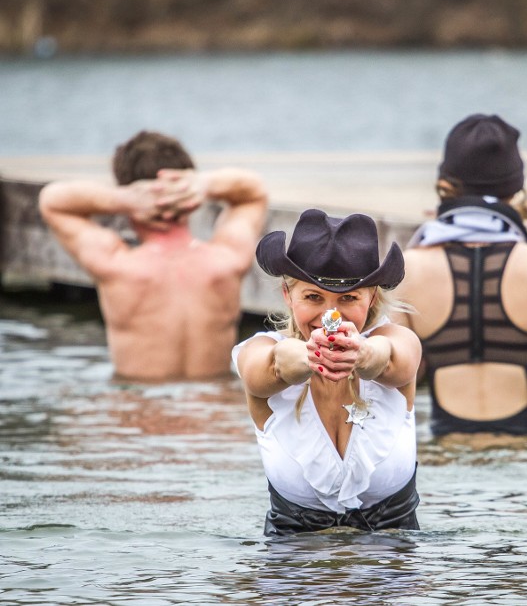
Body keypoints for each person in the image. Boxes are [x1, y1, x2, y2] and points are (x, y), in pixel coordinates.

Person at [393, 114, 527, 437]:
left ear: (446, 187)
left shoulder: (411, 267)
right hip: (524, 450)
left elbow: (402, 374)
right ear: (517, 191)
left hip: (447, 451)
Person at [232, 209, 422, 534]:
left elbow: (390, 359)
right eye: (313, 297)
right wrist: (310, 357)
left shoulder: (393, 341)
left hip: (391, 575)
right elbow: (273, 365)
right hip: (293, 573)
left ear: (371, 297)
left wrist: (362, 354)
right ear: (287, 296)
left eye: (348, 298)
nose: (331, 316)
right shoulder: (259, 352)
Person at [38, 130, 269, 380]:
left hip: (140, 409)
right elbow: (254, 191)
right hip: (214, 408)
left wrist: (121, 199)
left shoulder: (115, 266)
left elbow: (52, 201)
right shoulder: (228, 260)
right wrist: (204, 184)